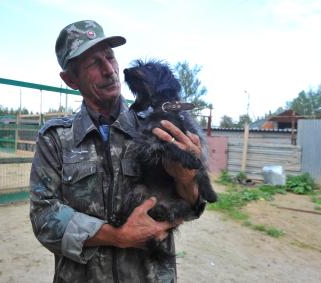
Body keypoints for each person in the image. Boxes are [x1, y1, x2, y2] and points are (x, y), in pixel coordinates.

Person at [29, 20, 206, 282]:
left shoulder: (158, 125)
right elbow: (43, 217)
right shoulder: (55, 139)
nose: (109, 70)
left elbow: (191, 207)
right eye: (93, 63)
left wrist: (187, 179)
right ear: (70, 80)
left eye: (110, 56)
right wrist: (117, 236)